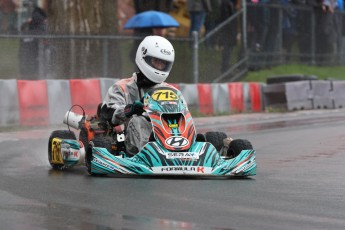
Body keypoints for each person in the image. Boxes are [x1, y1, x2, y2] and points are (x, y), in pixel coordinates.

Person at [100, 35, 175, 156]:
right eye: (156, 61)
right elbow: (108, 113)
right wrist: (131, 109)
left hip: (164, 135)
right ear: (144, 58)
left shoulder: (170, 91)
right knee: (138, 120)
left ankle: (184, 152)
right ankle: (145, 155)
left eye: (163, 63)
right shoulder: (122, 87)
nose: (159, 66)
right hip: (126, 140)